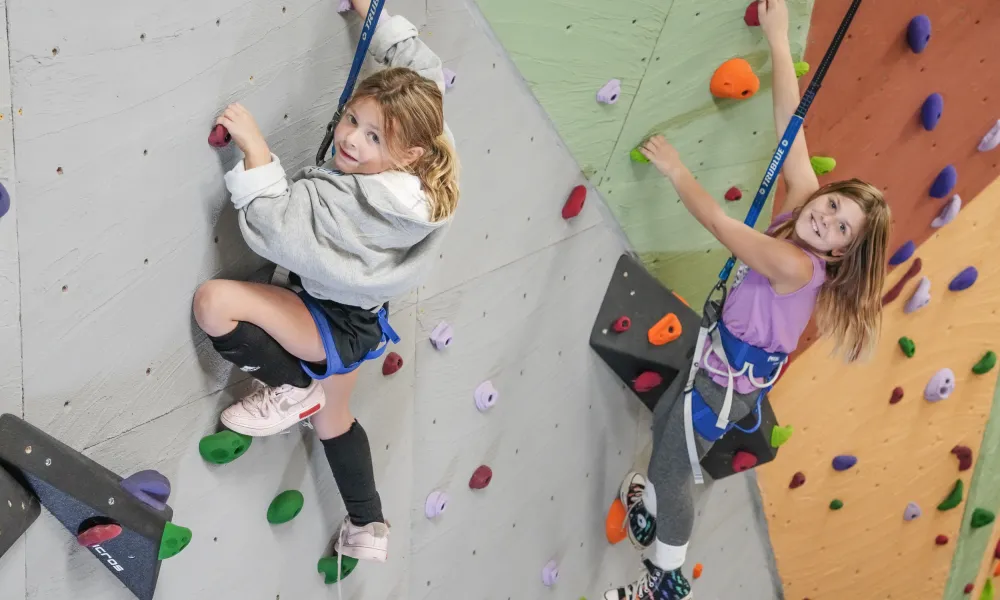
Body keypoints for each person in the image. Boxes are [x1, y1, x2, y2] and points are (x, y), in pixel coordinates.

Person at [604, 1, 890, 598]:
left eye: (842, 231)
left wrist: (678, 170)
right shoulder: (805, 207)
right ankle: (657, 518)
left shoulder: (796, 261)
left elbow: (722, 227)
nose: (827, 221)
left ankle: (663, 578)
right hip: (724, 365)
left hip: (722, 380)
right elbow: (793, 126)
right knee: (667, 434)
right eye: (834, 206)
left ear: (839, 256)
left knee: (673, 465)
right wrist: (779, 41)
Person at [192, 0, 459, 566]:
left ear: (406, 151)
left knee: (215, 304)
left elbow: (276, 227)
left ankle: (293, 388)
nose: (353, 142)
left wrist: (257, 149)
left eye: (373, 139)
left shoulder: (355, 203)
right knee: (334, 418)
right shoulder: (433, 155)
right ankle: (368, 527)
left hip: (327, 320)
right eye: (352, 122)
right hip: (361, 315)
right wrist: (371, 14)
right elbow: (423, 70)